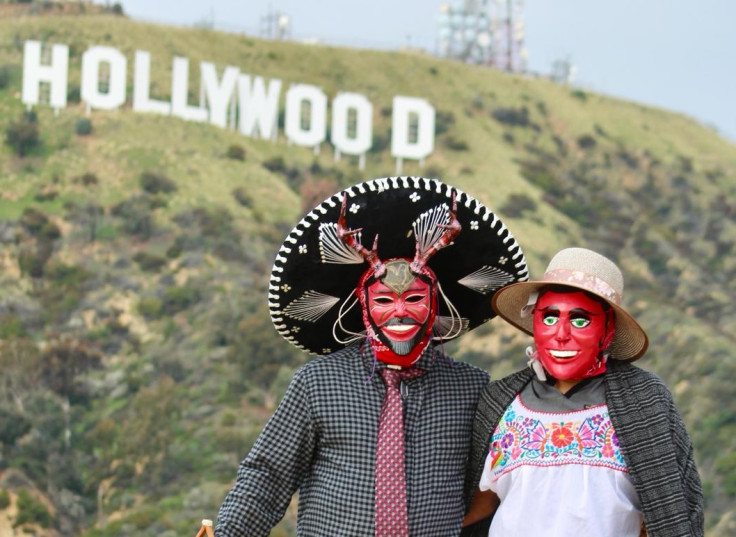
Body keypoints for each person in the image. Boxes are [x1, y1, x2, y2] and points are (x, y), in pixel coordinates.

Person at [215, 177, 529, 536]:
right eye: (383, 300)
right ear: (363, 305)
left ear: (434, 305)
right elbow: (266, 477)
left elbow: (492, 487)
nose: (400, 312)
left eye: (413, 299)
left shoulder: (472, 388)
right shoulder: (317, 384)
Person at [461, 247, 704, 537]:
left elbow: (671, 511)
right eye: (550, 317)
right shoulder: (499, 401)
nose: (561, 334)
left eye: (580, 320)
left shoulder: (643, 401)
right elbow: (475, 505)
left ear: (609, 329)